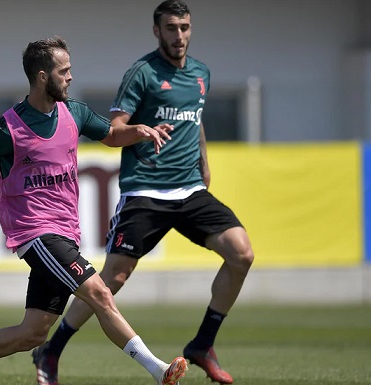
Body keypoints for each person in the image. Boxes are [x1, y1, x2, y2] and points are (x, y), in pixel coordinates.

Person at [0, 36, 188, 385]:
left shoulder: (75, 111)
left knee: (33, 333)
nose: (70, 77)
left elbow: (112, 136)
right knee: (100, 293)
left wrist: (138, 132)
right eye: (64, 71)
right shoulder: (8, 127)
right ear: (43, 77)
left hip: (64, 232)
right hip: (37, 233)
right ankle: (158, 370)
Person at [36, 1, 254, 385]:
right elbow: (116, 127)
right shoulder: (142, 73)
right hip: (146, 190)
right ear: (157, 31)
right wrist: (142, 130)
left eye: (185, 27)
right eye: (171, 28)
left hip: (190, 189)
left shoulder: (201, 73)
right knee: (112, 280)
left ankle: (202, 344)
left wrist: (204, 161)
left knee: (241, 253)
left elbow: (196, 118)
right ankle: (51, 349)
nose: (179, 35)